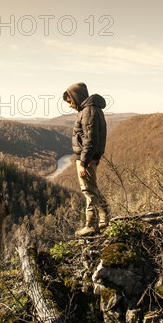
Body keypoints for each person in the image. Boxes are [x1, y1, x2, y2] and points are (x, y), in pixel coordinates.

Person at [62, 82, 109, 236]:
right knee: (92, 188)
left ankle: (91, 225)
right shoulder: (92, 109)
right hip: (88, 157)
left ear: (76, 97)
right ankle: (104, 218)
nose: (70, 105)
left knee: (88, 190)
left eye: (70, 101)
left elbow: (90, 140)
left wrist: (83, 163)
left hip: (85, 158)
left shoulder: (88, 111)